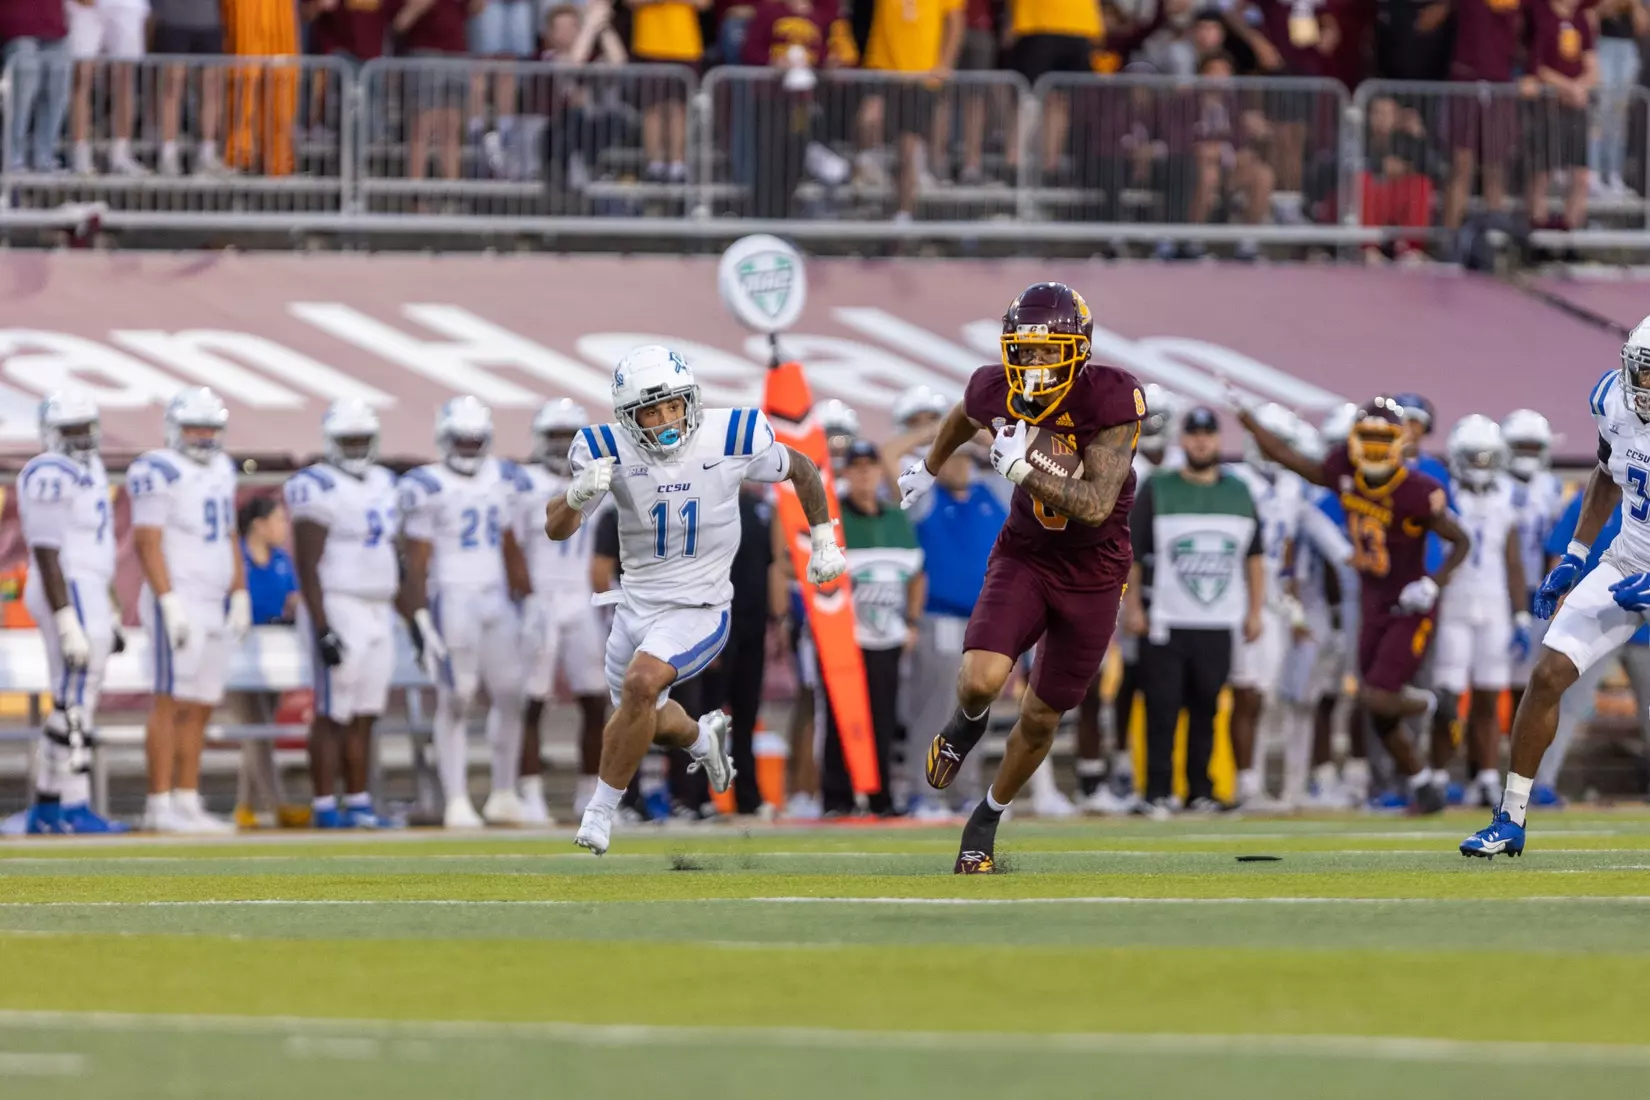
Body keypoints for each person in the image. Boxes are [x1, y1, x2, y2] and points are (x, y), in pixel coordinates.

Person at [546, 344, 846, 856]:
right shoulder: (605, 447)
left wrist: (823, 542)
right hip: (635, 606)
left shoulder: (729, 435)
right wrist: (576, 496)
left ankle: (599, 813)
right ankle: (701, 739)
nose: (665, 419)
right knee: (646, 717)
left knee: (642, 684)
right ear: (627, 416)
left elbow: (803, 468)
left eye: (672, 405)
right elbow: (556, 529)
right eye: (650, 410)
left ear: (691, 400)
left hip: (701, 608)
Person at [896, 282, 1143, 874]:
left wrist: (1019, 469)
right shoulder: (994, 384)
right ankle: (965, 724)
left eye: (1045, 351)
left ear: (1077, 350)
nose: (1031, 364)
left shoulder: (1112, 399)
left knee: (1040, 716)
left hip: (1095, 573)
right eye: (1022, 350)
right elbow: (965, 411)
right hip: (1026, 555)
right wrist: (929, 467)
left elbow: (1093, 503)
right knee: (981, 680)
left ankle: (986, 817)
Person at [1463, 325, 1650, 857]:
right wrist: (1575, 554)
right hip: (1627, 558)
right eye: (1644, 369)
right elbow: (1607, 475)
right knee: (1547, 675)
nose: (1646, 384)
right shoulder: (1610, 399)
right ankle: (1510, 819)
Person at [1235, 393, 1470, 816]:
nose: (1376, 448)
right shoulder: (1344, 471)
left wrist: (1433, 584)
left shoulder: (1418, 490)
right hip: (1372, 601)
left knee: (1379, 699)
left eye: (1384, 439)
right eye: (1368, 438)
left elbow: (1460, 540)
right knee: (1375, 708)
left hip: (1410, 603)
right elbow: (1292, 460)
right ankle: (1422, 784)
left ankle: (1436, 704)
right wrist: (1251, 425)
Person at [397, 396, 533, 829]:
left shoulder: (504, 477)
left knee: (513, 692)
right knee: (457, 697)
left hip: (495, 596)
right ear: (444, 440)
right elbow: (416, 559)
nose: (471, 448)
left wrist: (528, 599)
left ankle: (504, 792)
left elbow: (511, 544)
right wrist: (417, 617)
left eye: (477, 440)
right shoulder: (427, 484)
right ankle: (456, 798)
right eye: (463, 440)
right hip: (451, 595)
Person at [1126, 406, 1263, 814]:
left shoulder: (1239, 491)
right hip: (1166, 617)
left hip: (1218, 620)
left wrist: (1255, 610)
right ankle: (1156, 792)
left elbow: (1253, 558)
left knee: (1207, 707)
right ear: (1182, 440)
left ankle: (1200, 789)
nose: (1201, 441)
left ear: (1219, 440)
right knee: (1161, 708)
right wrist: (1132, 605)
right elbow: (1132, 553)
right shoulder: (1159, 487)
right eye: (1194, 433)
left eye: (1208, 433)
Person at [130, 388, 252, 834]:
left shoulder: (222, 468)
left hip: (213, 598)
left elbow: (230, 534)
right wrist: (168, 601)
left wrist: (240, 591)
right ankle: (159, 803)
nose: (202, 437)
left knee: (201, 704)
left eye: (209, 428)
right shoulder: (157, 469)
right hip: (178, 598)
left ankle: (187, 799)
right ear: (175, 429)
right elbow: (146, 542)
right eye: (194, 428)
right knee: (171, 701)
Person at [283, 400, 399, 830]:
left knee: (367, 710)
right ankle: (324, 805)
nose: (355, 447)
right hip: (338, 603)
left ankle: (359, 801)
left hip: (377, 606)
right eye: (348, 440)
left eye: (361, 440)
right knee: (334, 711)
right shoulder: (317, 484)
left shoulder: (386, 481)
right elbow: (307, 562)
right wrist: (322, 625)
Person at [18, 390, 125, 834]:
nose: (81, 438)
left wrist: (113, 609)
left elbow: (99, 546)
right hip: (68, 584)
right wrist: (65, 618)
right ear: (50, 434)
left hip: (89, 584)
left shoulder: (91, 466)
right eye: (71, 430)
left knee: (77, 696)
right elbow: (46, 549)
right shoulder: (48, 471)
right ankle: (69, 804)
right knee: (76, 698)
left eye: (86, 428)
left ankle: (47, 804)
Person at [1077, 381, 1181, 812]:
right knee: (1089, 680)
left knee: (1139, 681)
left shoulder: (1179, 472)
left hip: (1149, 590)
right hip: (1099, 578)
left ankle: (1121, 766)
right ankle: (1089, 777)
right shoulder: (1107, 453)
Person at [514, 399, 611, 822]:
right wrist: (525, 595)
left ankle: (590, 792)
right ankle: (530, 793)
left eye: (566, 437)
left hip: (583, 597)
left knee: (595, 699)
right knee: (531, 701)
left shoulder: (601, 480)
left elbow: (611, 544)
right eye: (553, 436)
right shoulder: (523, 481)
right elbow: (509, 545)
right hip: (541, 596)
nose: (559, 445)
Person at [1430, 416, 1527, 811]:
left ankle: (1486, 778)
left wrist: (1520, 613)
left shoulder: (1508, 495)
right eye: (1475, 457)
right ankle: (1436, 773)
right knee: (1447, 697)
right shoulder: (1443, 492)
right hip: (1453, 603)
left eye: (1489, 457)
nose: (1482, 464)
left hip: (1495, 605)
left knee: (1489, 696)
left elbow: (1513, 560)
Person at [905, 442, 1005, 817]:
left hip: (985, 620)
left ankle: (967, 791)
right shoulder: (927, 497)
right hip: (939, 617)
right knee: (935, 708)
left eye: (965, 458)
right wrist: (938, 436)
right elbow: (890, 466)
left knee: (976, 710)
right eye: (953, 457)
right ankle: (923, 792)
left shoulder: (991, 493)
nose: (961, 466)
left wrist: (981, 435)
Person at [825, 439, 924, 815]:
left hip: (887, 635)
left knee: (883, 718)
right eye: (857, 466)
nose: (865, 472)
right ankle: (838, 797)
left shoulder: (896, 518)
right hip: (845, 637)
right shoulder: (836, 520)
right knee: (840, 716)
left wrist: (912, 621)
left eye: (871, 465)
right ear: (847, 472)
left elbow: (916, 574)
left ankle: (880, 796)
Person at [1226, 402, 1307, 809]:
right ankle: (1245, 784)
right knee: (1247, 692)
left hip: (1274, 597)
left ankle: (1255, 781)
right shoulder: (1236, 480)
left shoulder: (1291, 487)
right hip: (1240, 594)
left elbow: (1288, 546)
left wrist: (1291, 601)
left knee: (1268, 694)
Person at [859, 0, 965, 220]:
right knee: (869, 119)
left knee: (908, 149)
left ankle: (903, 214)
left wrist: (945, 63)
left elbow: (956, 21)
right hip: (883, 69)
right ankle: (868, 166)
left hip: (920, 75)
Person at [1503, 409, 1564, 710]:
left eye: (1533, 447)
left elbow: (1557, 540)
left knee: (1532, 667)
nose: (1527, 454)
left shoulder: (1551, 486)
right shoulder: (1497, 484)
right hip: (1502, 586)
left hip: (1539, 585)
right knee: (1503, 664)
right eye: (1520, 446)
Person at [67, 0, 148, 175]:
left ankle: (121, 154)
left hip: (127, 6)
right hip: (84, 7)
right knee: (81, 77)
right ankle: (80, 153)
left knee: (125, 80)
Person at [153, 0, 230, 177]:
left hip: (210, 23)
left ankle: (207, 154)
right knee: (171, 88)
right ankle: (168, 153)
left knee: (211, 90)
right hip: (173, 21)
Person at [1, 1, 73, 174]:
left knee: (57, 95)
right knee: (21, 96)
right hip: (18, 25)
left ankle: (46, 158)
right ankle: (13, 158)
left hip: (55, 27)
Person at [239, 497, 298, 626]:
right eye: (279, 520)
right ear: (259, 524)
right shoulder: (236, 555)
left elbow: (293, 598)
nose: (285, 528)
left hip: (273, 634)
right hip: (236, 634)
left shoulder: (282, 558)